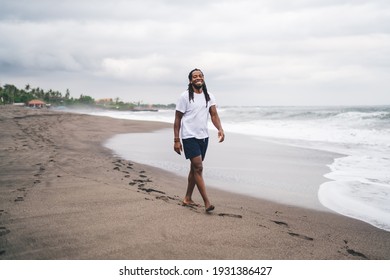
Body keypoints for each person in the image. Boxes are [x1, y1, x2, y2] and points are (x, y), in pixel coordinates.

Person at [173, 68, 225, 213]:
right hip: (189, 137)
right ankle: (207, 202)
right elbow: (177, 119)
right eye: (195, 76)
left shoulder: (209, 96)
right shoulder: (185, 97)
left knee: (194, 169)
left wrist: (220, 128)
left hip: (204, 137)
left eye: (200, 76)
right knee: (198, 168)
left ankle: (187, 198)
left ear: (203, 78)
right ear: (190, 80)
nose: (198, 78)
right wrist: (177, 140)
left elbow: (214, 115)